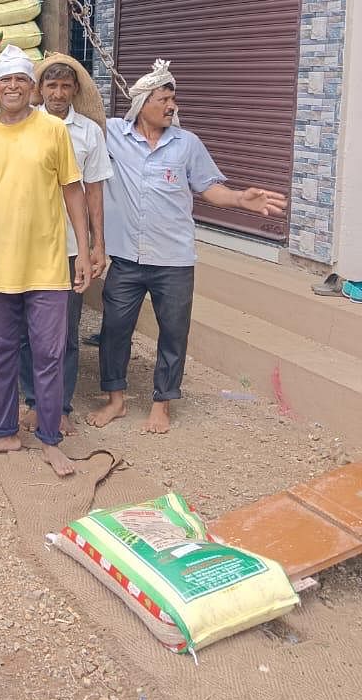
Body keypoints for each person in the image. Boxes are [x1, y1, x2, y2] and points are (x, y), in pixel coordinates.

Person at [90, 59, 287, 434]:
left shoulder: (186, 144)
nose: (171, 106)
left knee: (173, 333)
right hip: (127, 258)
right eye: (163, 98)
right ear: (142, 103)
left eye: (172, 99)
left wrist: (240, 199)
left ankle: (162, 403)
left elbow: (209, 187)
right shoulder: (113, 133)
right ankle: (115, 400)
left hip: (174, 260)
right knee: (114, 330)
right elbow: (81, 115)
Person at [0, 46, 92, 477]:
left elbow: (74, 191)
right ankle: (3, 433)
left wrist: (85, 250)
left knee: (48, 354)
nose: (13, 86)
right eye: (4, 80)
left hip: (48, 265)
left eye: (20, 80)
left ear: (31, 89)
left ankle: (50, 439)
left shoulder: (53, 131)